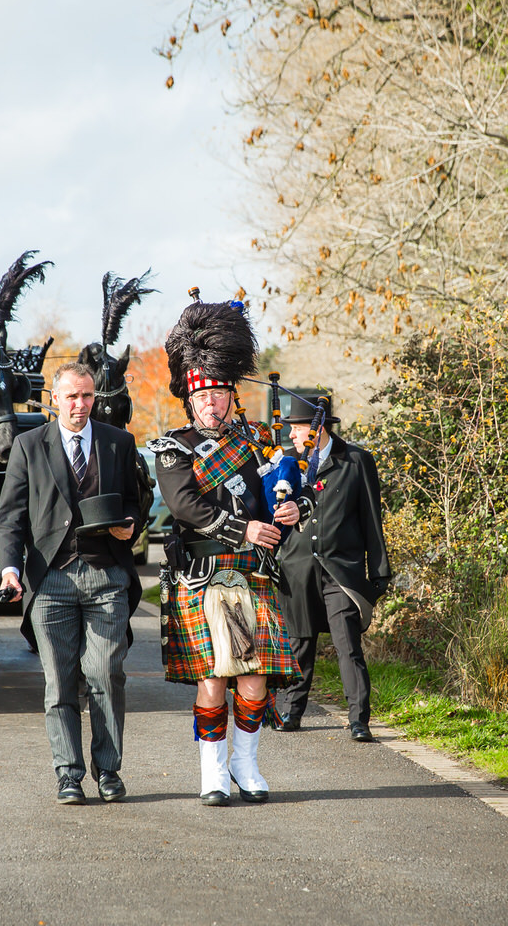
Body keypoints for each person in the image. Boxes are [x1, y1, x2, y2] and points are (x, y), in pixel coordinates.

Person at [149, 299, 304, 806]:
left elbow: (294, 489)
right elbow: (185, 505)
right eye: (202, 398)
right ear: (189, 401)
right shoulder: (173, 448)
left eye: (217, 395)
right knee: (214, 678)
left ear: (232, 396)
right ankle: (213, 773)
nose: (210, 405)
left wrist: (292, 508)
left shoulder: (260, 443)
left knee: (255, 677)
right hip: (201, 574)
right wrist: (247, 528)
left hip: (252, 573)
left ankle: (247, 761)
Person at [0, 362, 143, 805]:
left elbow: (136, 502)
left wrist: (129, 527)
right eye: (72, 397)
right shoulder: (28, 445)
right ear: (54, 399)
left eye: (87, 396)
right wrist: (10, 569)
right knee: (59, 683)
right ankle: (68, 774)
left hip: (107, 576)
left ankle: (109, 770)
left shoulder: (120, 442)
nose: (80, 405)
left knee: (105, 674)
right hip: (51, 578)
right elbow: (11, 516)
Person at [275, 392, 391, 741]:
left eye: (297, 429)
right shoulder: (285, 465)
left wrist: (379, 572)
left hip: (341, 570)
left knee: (348, 645)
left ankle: (359, 720)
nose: (292, 436)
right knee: (299, 643)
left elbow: (372, 519)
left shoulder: (356, 461)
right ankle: (291, 712)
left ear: (317, 428)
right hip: (295, 569)